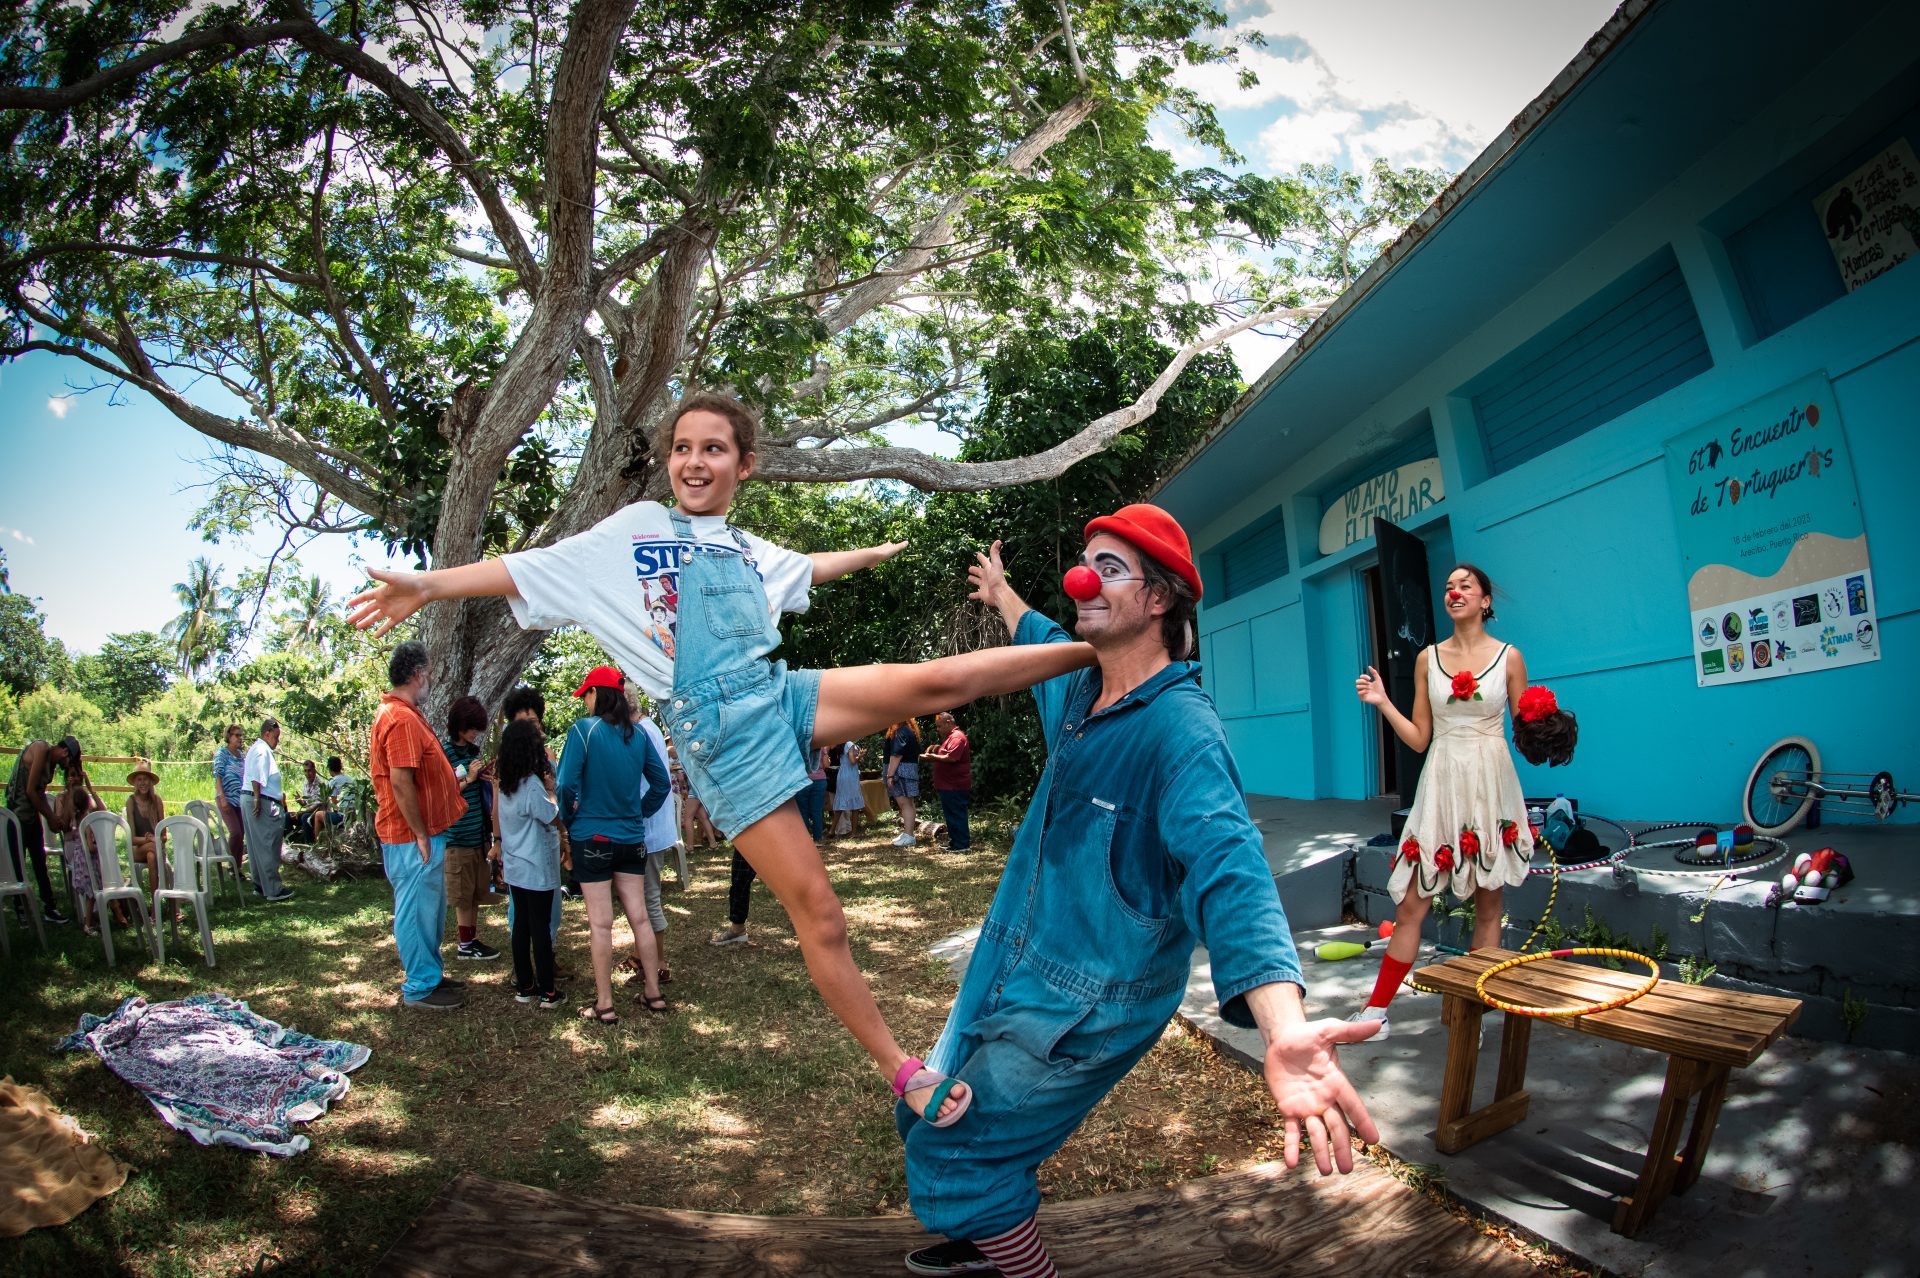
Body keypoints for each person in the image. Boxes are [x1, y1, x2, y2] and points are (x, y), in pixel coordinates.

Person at [347, 390, 1092, 1123]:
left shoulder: (745, 547)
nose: (693, 462)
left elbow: (808, 567)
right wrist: (429, 583)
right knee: (821, 914)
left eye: (712, 449)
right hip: (718, 734)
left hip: (776, 691)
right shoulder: (636, 528)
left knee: (940, 680)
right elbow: (527, 567)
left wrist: (871, 554)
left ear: (745, 464)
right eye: (682, 448)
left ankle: (1103, 648)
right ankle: (903, 1071)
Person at [893, 512, 1381, 1278]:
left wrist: (1283, 1028)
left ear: (1160, 600)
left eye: (1108, 568)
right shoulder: (1077, 682)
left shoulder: (1180, 732)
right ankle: (988, 1231)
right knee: (922, 1101)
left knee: (954, 1146)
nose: (1083, 579)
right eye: (1085, 562)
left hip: (1092, 1001)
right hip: (1012, 959)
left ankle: (1013, 1257)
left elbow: (1233, 872)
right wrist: (1002, 593)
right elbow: (1039, 629)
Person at [1350, 562, 1535, 1038]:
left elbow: (1525, 729)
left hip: (1491, 784)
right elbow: (1417, 739)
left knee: (1488, 906)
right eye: (1448, 587)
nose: (1454, 592)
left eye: (1465, 585)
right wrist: (1383, 702)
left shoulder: (1510, 657)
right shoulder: (1426, 659)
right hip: (1441, 784)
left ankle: (1472, 1014)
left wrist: (1548, 726)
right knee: (1412, 904)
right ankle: (1376, 1013)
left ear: (1485, 600)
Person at [554, 668, 671, 1023]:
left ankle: (605, 1004)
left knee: (601, 924)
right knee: (640, 917)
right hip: (631, 839)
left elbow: (565, 785)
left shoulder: (582, 731)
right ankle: (654, 994)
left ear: (596, 694)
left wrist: (571, 822)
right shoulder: (637, 736)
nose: (584, 701)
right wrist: (638, 812)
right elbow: (662, 785)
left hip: (591, 838)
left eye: (586, 694)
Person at [370, 641, 469, 1011]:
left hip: (421, 833)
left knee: (429, 907)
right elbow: (400, 781)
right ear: (417, 675)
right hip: (411, 836)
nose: (430, 680)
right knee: (414, 909)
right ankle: (419, 986)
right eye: (428, 674)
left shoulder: (402, 713)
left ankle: (429, 974)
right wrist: (420, 833)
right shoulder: (400, 718)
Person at [492, 717, 566, 1009]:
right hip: (536, 868)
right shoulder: (532, 785)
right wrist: (552, 790)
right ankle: (548, 991)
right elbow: (551, 816)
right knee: (540, 929)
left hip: (515, 867)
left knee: (521, 927)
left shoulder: (507, 784)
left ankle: (525, 986)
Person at [440, 695, 501, 962]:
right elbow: (443, 793)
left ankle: (471, 940)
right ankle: (465, 945)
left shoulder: (472, 752)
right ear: (460, 725)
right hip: (458, 835)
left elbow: (478, 789)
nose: (476, 733)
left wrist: (485, 776)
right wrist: (470, 778)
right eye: (473, 727)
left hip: (478, 834)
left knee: (476, 892)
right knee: (463, 896)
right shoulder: (445, 753)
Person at [631, 684, 681, 985]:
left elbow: (652, 784)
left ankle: (658, 962)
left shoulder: (642, 732)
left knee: (648, 898)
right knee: (643, 897)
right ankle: (643, 957)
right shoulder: (648, 727)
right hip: (653, 827)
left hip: (648, 829)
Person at [3, 736, 78, 924]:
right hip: (16, 815)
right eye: (69, 761)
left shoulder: (51, 768)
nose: (66, 766)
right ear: (65, 752)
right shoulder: (41, 748)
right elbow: (30, 790)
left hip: (31, 816)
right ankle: (21, 910)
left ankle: (49, 909)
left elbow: (40, 794)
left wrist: (54, 817)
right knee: (18, 862)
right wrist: (50, 817)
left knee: (40, 862)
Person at [242, 719, 294, 902]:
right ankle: (272, 888)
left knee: (256, 844)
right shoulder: (262, 750)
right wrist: (257, 798)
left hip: (255, 798)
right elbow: (257, 776)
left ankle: (260, 884)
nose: (277, 741)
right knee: (267, 843)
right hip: (261, 801)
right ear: (266, 734)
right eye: (276, 737)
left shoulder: (257, 749)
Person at [922, 712, 972, 853]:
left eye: (939, 726)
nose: (938, 729)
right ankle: (955, 842)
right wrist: (938, 749)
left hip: (954, 785)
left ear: (949, 722)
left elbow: (952, 758)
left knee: (957, 814)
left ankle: (962, 844)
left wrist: (933, 757)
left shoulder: (957, 737)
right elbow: (948, 753)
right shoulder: (950, 737)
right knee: (951, 814)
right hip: (948, 784)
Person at [212, 725, 250, 881]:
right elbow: (217, 775)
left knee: (242, 833)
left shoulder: (241, 755)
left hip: (239, 799)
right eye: (236, 735)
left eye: (240, 735)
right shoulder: (222, 753)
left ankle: (237, 868)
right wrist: (222, 798)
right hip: (226, 798)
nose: (239, 738)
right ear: (228, 736)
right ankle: (230, 864)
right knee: (235, 832)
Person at [124, 764, 167, 890]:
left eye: (145, 779)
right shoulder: (131, 802)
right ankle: (170, 896)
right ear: (135, 783)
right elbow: (131, 839)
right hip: (138, 850)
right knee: (154, 848)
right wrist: (150, 840)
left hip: (154, 848)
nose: (143, 783)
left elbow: (164, 836)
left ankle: (155, 905)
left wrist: (156, 840)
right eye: (139, 779)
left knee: (151, 856)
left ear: (150, 781)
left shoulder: (157, 800)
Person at [884, 719, 922, 847]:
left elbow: (896, 755)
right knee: (908, 804)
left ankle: (909, 835)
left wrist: (889, 775)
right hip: (908, 770)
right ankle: (907, 833)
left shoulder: (901, 731)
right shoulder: (909, 730)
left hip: (901, 771)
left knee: (905, 804)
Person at [830, 740, 865, 838]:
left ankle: (832, 830)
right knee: (855, 804)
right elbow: (853, 761)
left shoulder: (839, 744)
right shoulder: (850, 744)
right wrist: (861, 755)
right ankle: (854, 832)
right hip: (850, 774)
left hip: (842, 773)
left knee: (841, 802)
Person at [290, 759, 328, 844]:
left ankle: (310, 843)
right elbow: (307, 804)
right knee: (287, 816)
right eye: (305, 771)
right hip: (308, 812)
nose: (307, 774)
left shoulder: (321, 785)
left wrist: (300, 813)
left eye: (309, 771)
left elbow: (315, 807)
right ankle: (291, 841)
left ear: (314, 770)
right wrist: (301, 801)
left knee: (305, 817)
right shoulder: (305, 783)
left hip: (318, 814)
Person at [800, 745, 831, 842]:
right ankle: (818, 838)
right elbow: (826, 765)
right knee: (817, 811)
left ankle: (805, 839)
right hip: (820, 781)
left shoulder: (800, 745)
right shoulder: (821, 746)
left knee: (803, 811)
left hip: (803, 781)